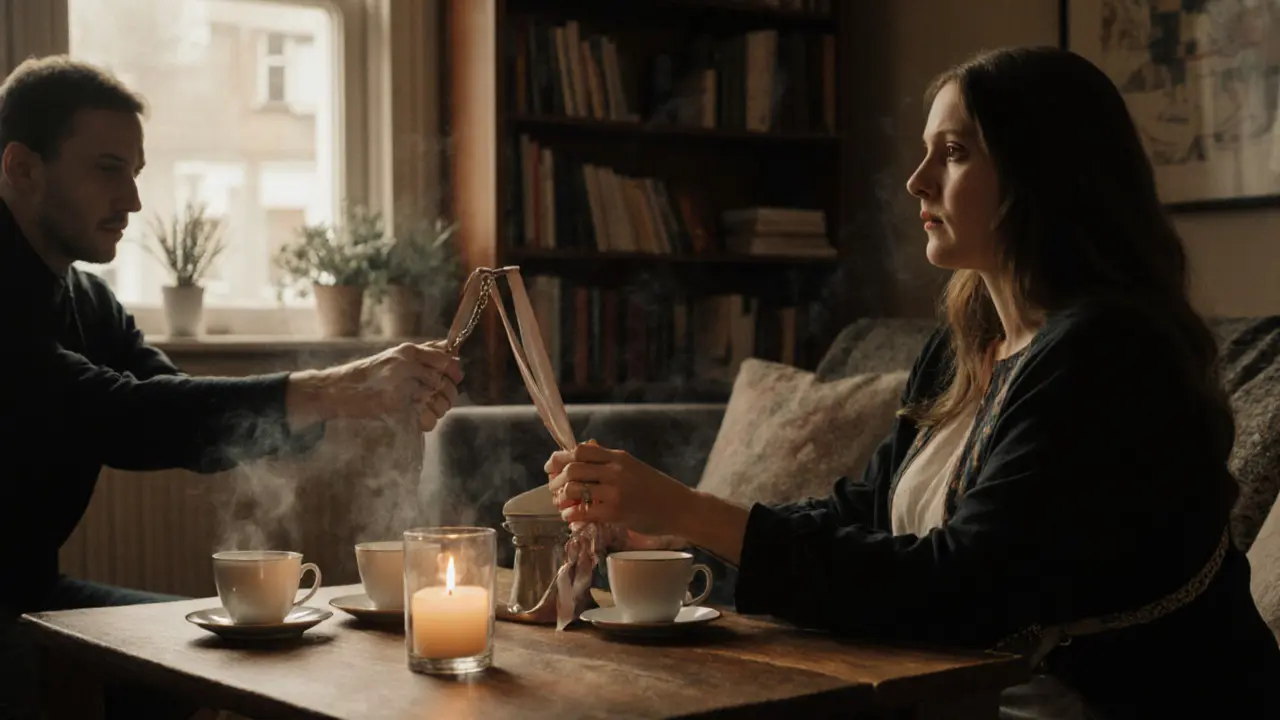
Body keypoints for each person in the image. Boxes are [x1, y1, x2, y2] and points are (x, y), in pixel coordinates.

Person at [546, 46, 1280, 717]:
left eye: (954, 153)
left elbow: (957, 589)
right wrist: (676, 532)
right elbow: (866, 514)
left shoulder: (1110, 356)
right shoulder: (964, 345)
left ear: (1045, 175)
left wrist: (694, 511)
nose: (916, 180)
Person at [0, 56, 463, 718]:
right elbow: (117, 415)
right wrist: (339, 388)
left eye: (135, 174)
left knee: (224, 664)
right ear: (21, 167)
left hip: (32, 593)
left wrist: (365, 401)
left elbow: (186, 416)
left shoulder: (88, 301)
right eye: (107, 169)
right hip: (13, 611)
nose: (132, 201)